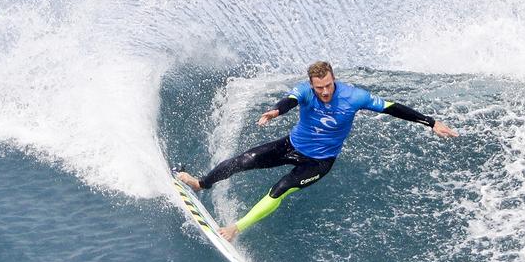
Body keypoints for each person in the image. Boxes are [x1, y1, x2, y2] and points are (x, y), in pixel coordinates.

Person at [177, 61, 458, 241]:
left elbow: (392, 108)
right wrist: (276, 111)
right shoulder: (305, 91)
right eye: (319, 87)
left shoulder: (354, 96)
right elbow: (289, 100)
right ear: (312, 84)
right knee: (243, 160)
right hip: (291, 145)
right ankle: (201, 183)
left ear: (333, 78)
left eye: (328, 85)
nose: (324, 91)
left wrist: (431, 123)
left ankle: (236, 229)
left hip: (318, 162)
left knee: (280, 189)